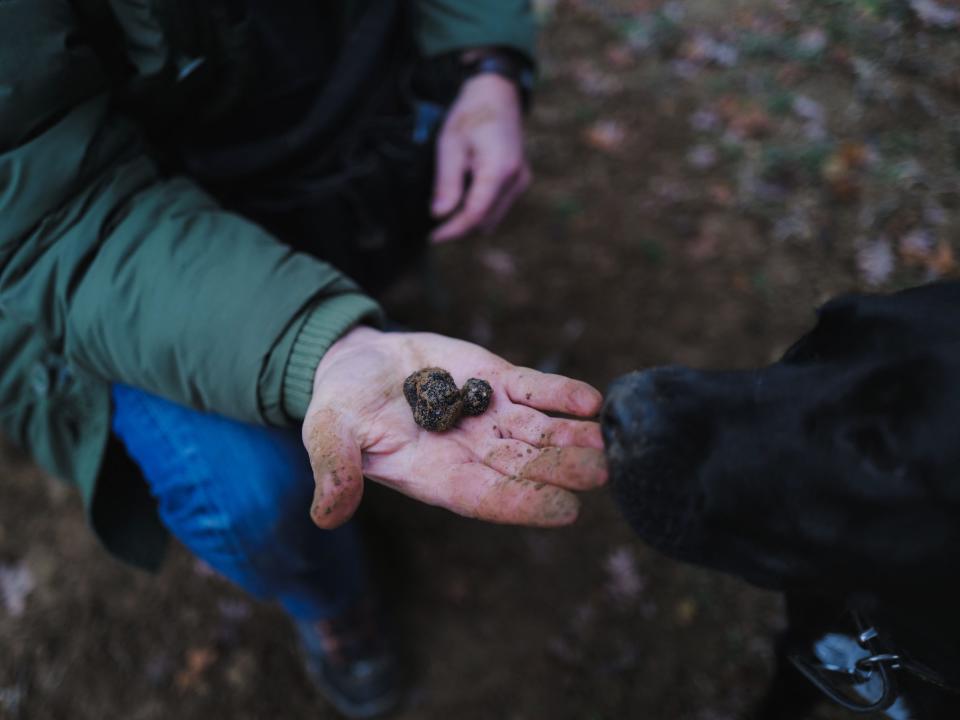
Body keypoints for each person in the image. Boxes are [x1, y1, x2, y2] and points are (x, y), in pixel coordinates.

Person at [0, 1, 607, 717]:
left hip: (346, 151)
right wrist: (318, 343)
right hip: (120, 260)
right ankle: (332, 600)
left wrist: (486, 60)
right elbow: (51, 209)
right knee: (253, 496)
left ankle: (357, 276)